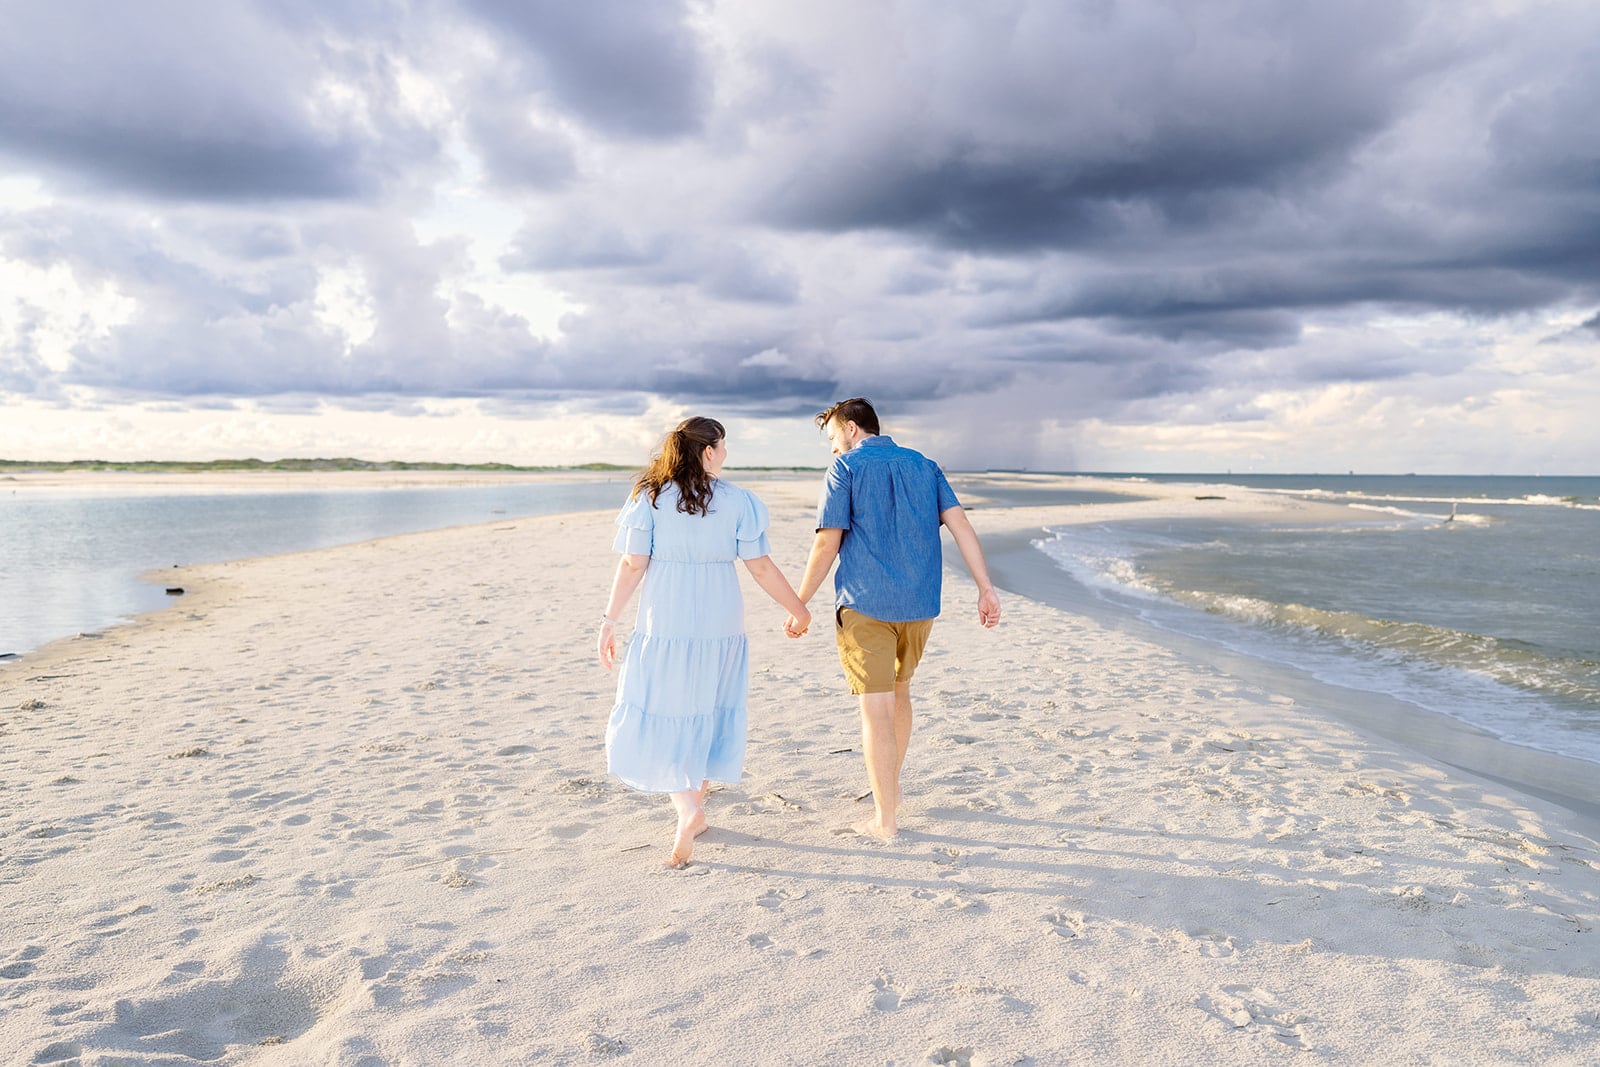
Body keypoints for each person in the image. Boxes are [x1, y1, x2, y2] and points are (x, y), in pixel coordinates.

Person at [599, 416, 811, 868]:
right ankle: (692, 808)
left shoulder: (650, 497)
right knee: (707, 704)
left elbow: (633, 564)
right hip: (719, 618)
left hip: (666, 620)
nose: (727, 453)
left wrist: (609, 619)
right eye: (724, 445)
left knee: (672, 705)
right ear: (709, 451)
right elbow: (761, 568)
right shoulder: (738, 501)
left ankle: (688, 808)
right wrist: (797, 608)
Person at [792, 398, 1000, 840]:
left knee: (875, 709)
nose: (832, 449)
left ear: (851, 429)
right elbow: (961, 525)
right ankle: (892, 789)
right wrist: (985, 586)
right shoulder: (925, 466)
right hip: (920, 605)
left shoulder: (845, 469)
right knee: (900, 693)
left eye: (832, 438)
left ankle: (885, 820)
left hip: (866, 603)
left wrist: (800, 602)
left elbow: (827, 544)